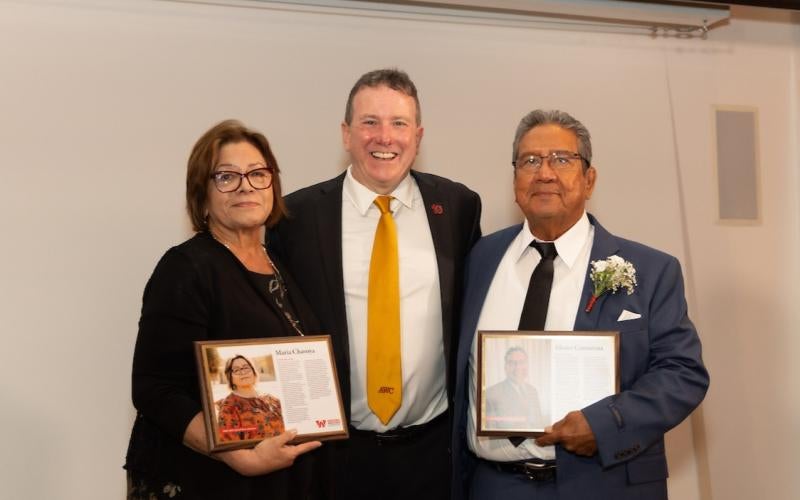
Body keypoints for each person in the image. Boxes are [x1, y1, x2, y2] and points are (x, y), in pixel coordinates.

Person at [452, 109, 709, 499]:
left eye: (561, 159)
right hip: (494, 486)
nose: (545, 173)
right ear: (515, 179)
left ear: (589, 179)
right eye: (530, 161)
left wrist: (605, 424)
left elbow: (683, 374)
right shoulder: (479, 258)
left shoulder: (651, 270)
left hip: (605, 484)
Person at [270, 68, 481, 500]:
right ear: (346, 134)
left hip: (433, 454)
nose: (384, 137)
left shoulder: (456, 206)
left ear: (417, 137)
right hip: (336, 457)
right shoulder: (296, 217)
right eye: (369, 122)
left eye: (398, 123)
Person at [124, 120, 323, 500]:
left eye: (257, 174)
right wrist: (239, 457)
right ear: (202, 194)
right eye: (226, 177)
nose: (246, 185)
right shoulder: (186, 268)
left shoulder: (280, 262)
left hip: (279, 479)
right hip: (207, 480)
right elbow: (154, 389)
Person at [216, 355, 284, 442]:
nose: (243, 372)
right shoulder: (228, 408)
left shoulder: (272, 399)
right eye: (236, 370)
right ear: (230, 377)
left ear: (253, 371)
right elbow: (229, 445)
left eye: (246, 367)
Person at [484, 346, 545, 431]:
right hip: (505, 443)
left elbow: (539, 423)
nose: (517, 367)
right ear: (505, 367)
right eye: (512, 363)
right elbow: (490, 431)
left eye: (522, 362)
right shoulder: (492, 393)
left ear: (527, 366)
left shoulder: (533, 391)